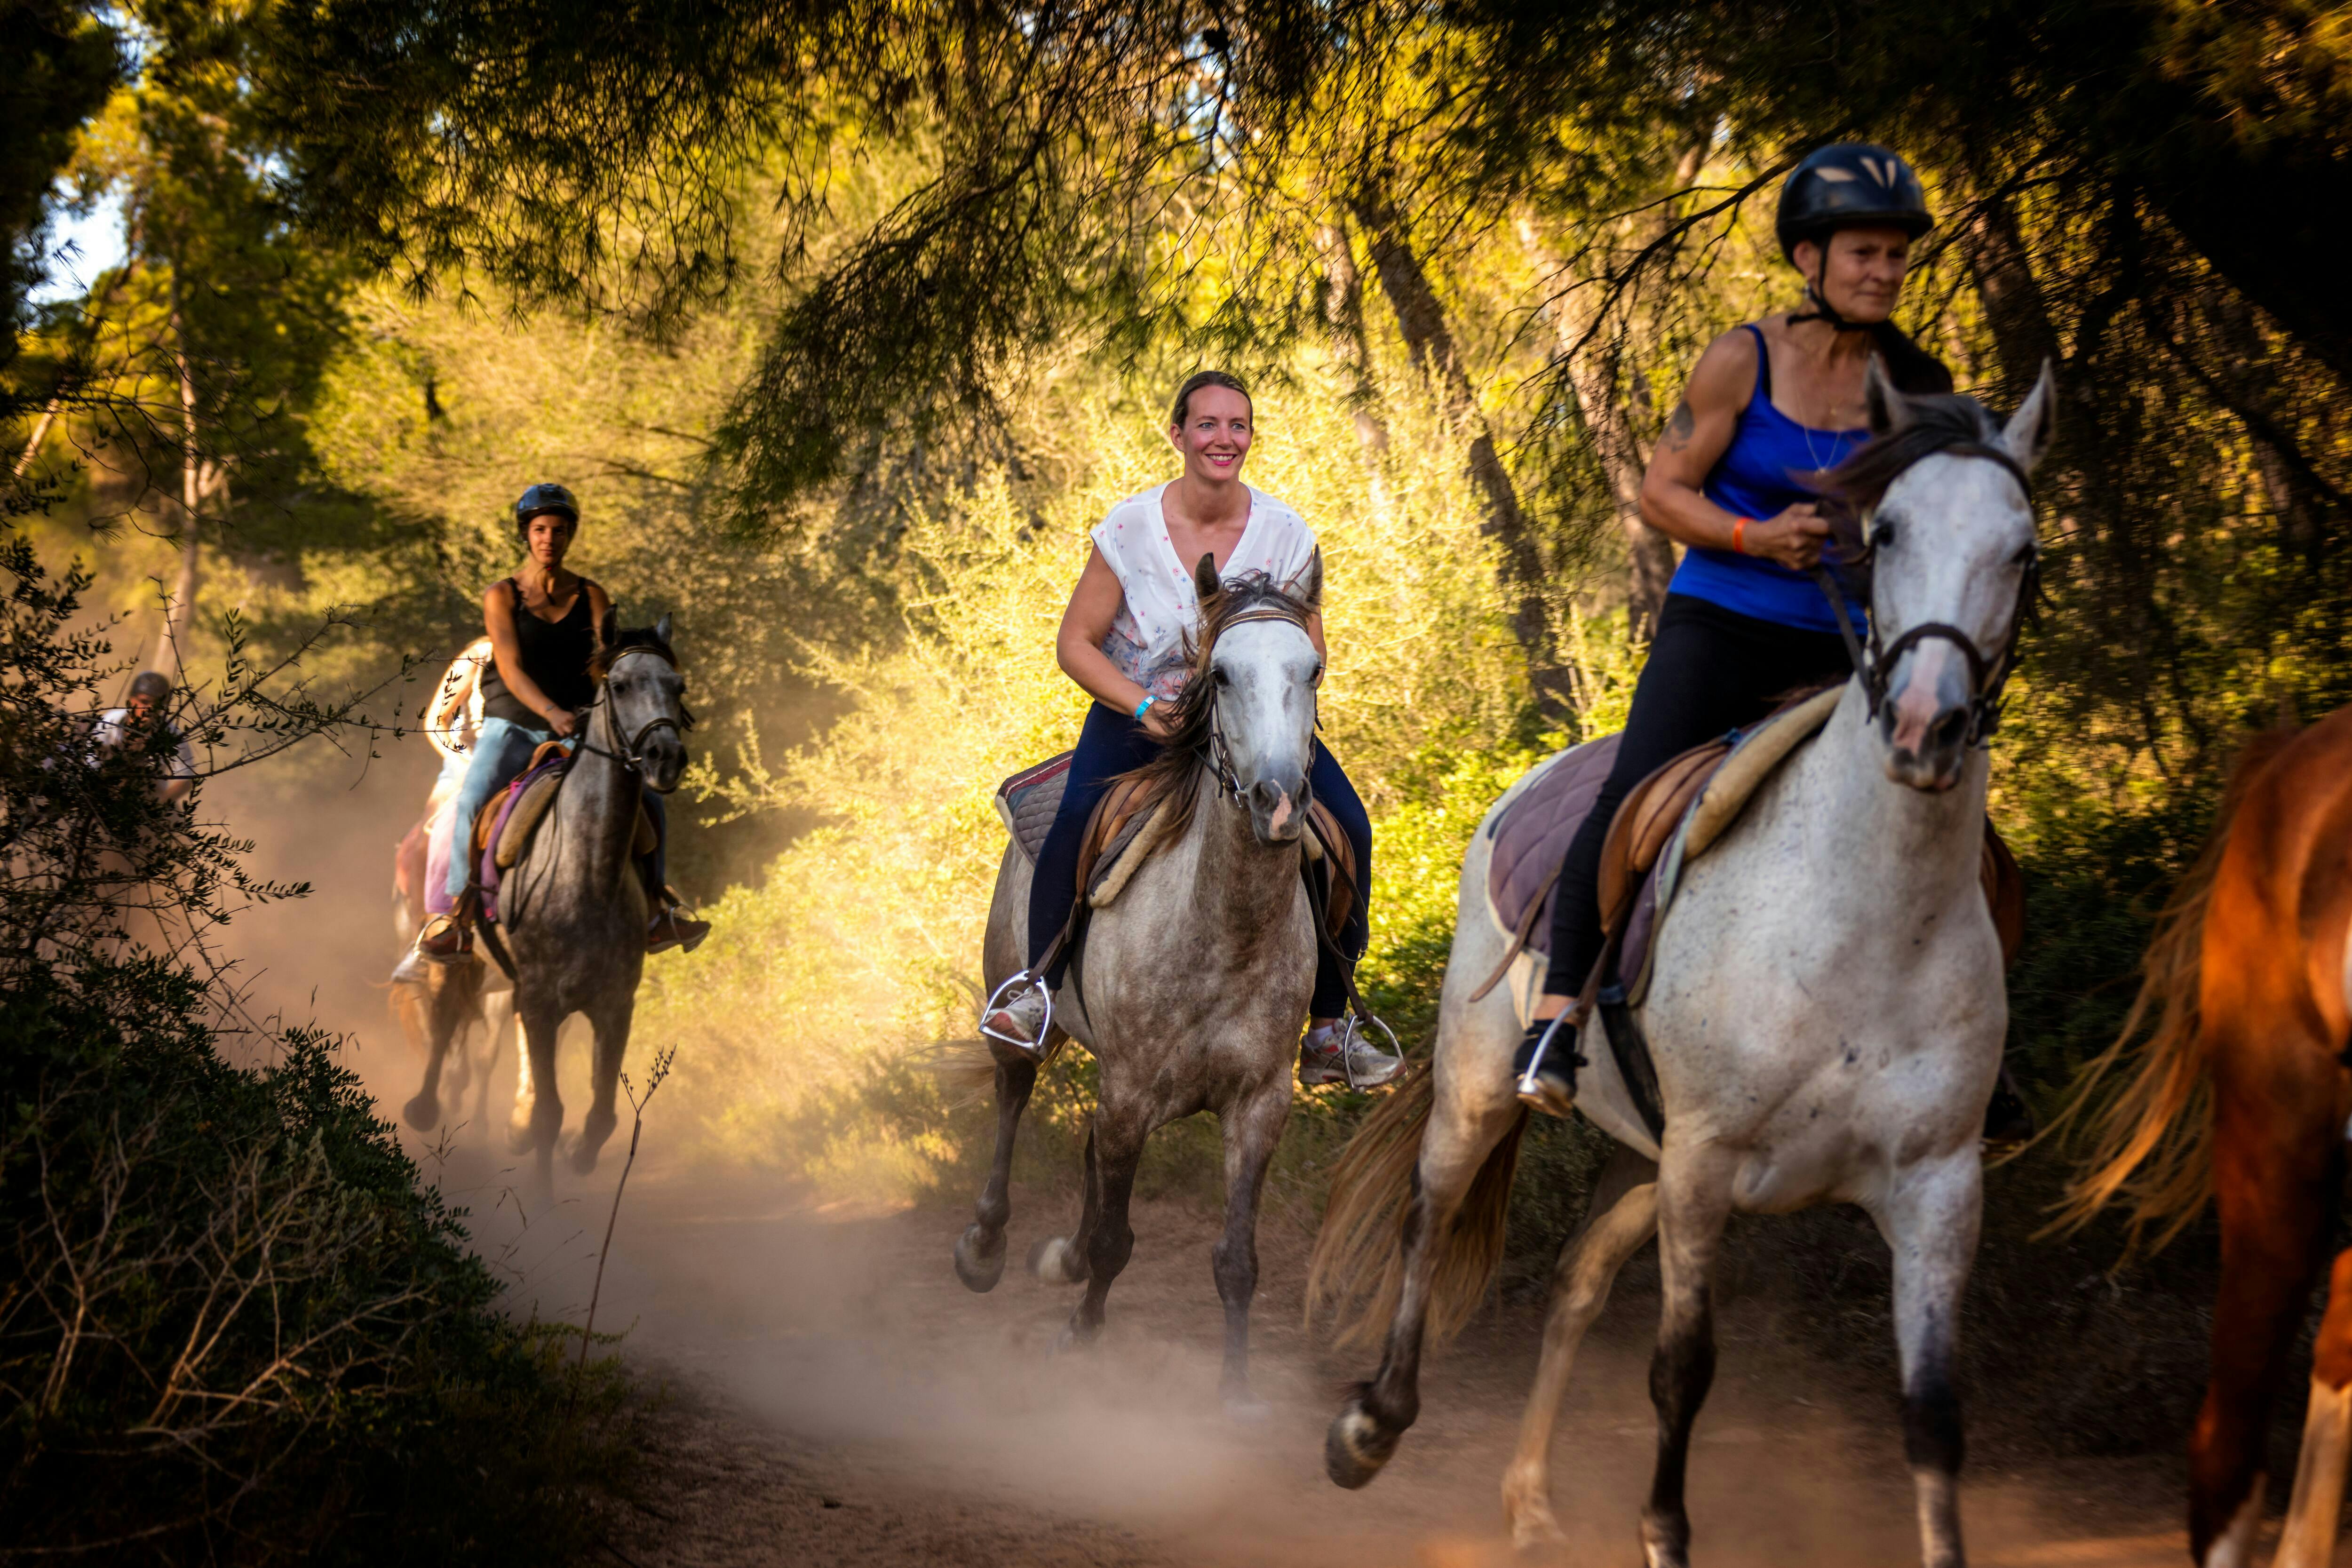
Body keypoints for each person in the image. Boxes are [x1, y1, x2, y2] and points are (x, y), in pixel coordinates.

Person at [1515, 143, 1962, 1114]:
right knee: (1629, 790)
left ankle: (1968, 1042)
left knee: (1942, 803)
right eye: (1863, 254)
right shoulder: (1741, 358)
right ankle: (1557, 1017)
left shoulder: (1922, 385)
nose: (1884, 272)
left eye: (1896, 256)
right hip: (1724, 620)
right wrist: (1757, 534)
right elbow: (1662, 492)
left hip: (1849, 646)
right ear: (1810, 259)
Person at [980, 371, 1403, 1089]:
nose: (1224, 439)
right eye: (1207, 424)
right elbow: (1076, 643)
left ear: (1250, 438)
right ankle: (1035, 990)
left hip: (1252, 721)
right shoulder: (1129, 529)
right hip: (1144, 718)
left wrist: (1272, 693)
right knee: (1078, 814)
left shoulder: (1285, 531)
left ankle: (1331, 1028)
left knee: (1352, 828)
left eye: (1238, 425)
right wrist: (1147, 706)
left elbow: (1314, 648)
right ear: (1177, 434)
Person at [402, 483, 708, 972]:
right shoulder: (501, 596)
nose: (549, 539)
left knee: (647, 800)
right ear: (526, 534)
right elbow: (511, 666)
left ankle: (657, 908)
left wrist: (604, 708)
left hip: (579, 728)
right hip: (513, 726)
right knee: (470, 798)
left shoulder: (592, 595)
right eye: (540, 529)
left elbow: (603, 663)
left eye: (559, 531)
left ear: (570, 536)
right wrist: (550, 713)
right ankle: (453, 917)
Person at [91, 669, 196, 803]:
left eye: (157, 704)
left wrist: (158, 805)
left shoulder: (172, 736)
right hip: (103, 793)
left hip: (150, 801)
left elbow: (186, 779)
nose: (150, 709)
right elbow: (92, 762)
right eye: (144, 702)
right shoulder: (110, 722)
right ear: (131, 699)